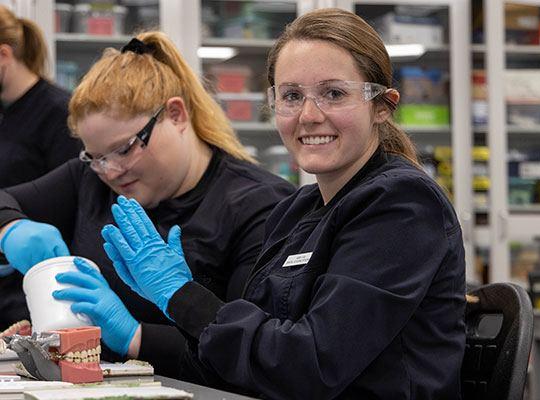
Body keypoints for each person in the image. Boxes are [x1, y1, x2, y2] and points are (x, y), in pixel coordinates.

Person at [73, 9, 465, 398]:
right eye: (292, 96)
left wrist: (183, 296)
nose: (309, 116)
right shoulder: (296, 211)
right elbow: (248, 365)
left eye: (334, 93)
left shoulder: (402, 205)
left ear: (382, 105)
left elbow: (309, 366)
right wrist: (166, 309)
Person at [0, 31, 295, 376]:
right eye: (96, 157)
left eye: (125, 149)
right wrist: (10, 228)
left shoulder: (260, 207)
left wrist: (136, 336)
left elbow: (256, 357)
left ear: (176, 114)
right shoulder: (91, 179)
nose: (111, 171)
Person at [0, 5, 81, 330]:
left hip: (36, 290)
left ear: (4, 55)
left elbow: (74, 204)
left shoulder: (58, 113)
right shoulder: (6, 113)